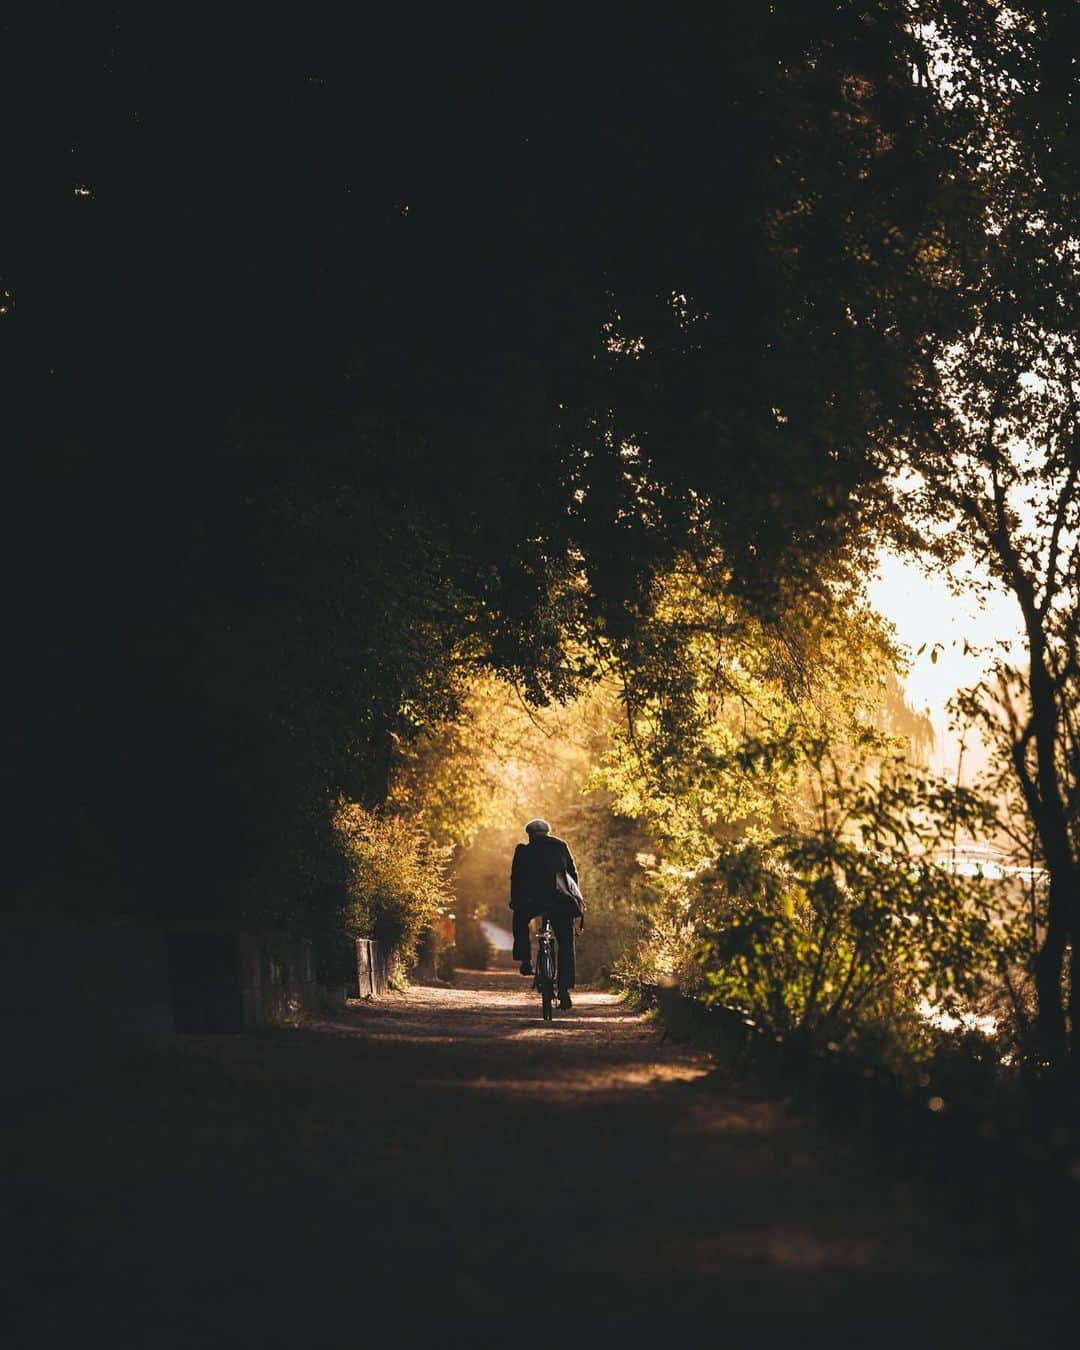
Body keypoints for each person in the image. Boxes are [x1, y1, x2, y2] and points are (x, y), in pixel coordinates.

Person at [509, 818, 580, 1010]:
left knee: (520, 920)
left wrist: (515, 902)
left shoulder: (523, 850)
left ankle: (525, 960)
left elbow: (515, 878)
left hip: (531, 902)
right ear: (547, 832)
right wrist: (575, 900)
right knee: (566, 943)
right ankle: (564, 989)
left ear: (530, 835)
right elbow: (572, 876)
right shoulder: (560, 846)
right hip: (560, 902)